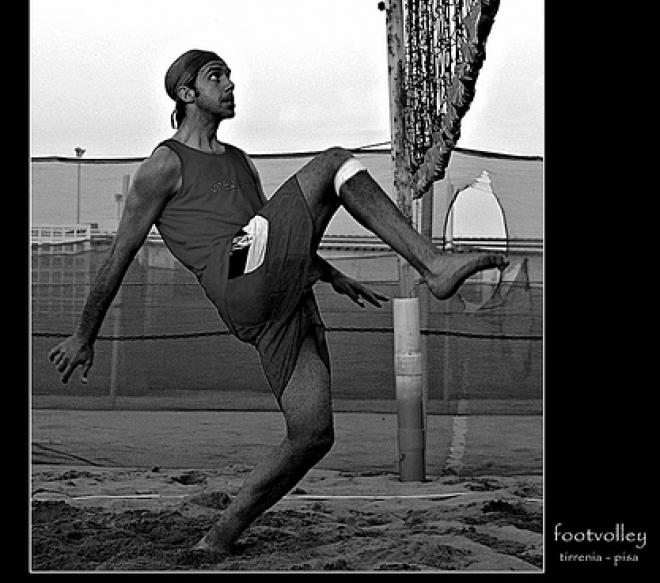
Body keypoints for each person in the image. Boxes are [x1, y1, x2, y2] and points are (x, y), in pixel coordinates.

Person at [48, 48, 507, 556]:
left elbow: (273, 236)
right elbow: (120, 253)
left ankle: (218, 537)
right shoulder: (164, 164)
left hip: (273, 303)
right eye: (215, 77)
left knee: (312, 435)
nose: (229, 85)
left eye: (229, 76)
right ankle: (433, 264)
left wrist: (328, 272)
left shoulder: (240, 161)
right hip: (232, 274)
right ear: (185, 94)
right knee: (335, 162)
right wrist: (84, 333)